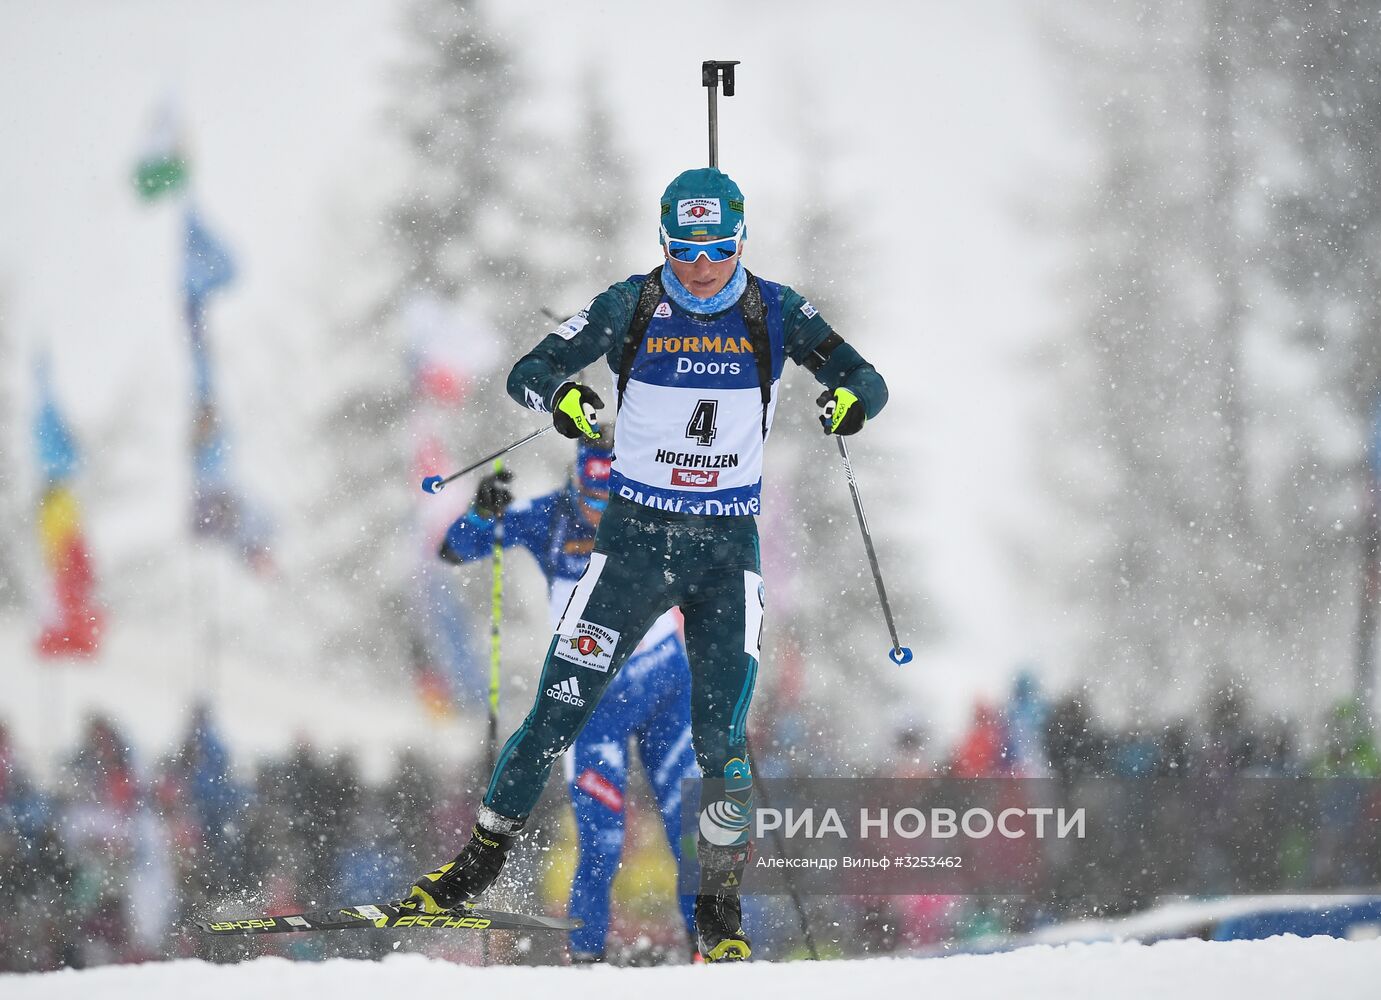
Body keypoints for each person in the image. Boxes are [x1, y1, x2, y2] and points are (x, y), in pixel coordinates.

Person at [402, 167, 889, 962]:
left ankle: (720, 918)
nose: (702, 268)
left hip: (726, 547)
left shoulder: (776, 309)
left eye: (719, 250)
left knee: (720, 742)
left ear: (740, 242)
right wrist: (559, 401)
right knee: (554, 712)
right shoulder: (629, 304)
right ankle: (474, 867)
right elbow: (529, 373)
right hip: (633, 543)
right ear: (664, 242)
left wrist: (851, 402)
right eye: (686, 250)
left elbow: (864, 378)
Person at [435, 433, 700, 963]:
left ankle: (715, 951)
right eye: (591, 502)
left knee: (693, 829)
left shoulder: (652, 505)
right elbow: (454, 549)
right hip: (592, 703)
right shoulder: (549, 518)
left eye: (611, 503)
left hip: (664, 688)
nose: (601, 518)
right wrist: (483, 513)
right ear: (576, 485)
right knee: (600, 842)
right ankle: (586, 962)